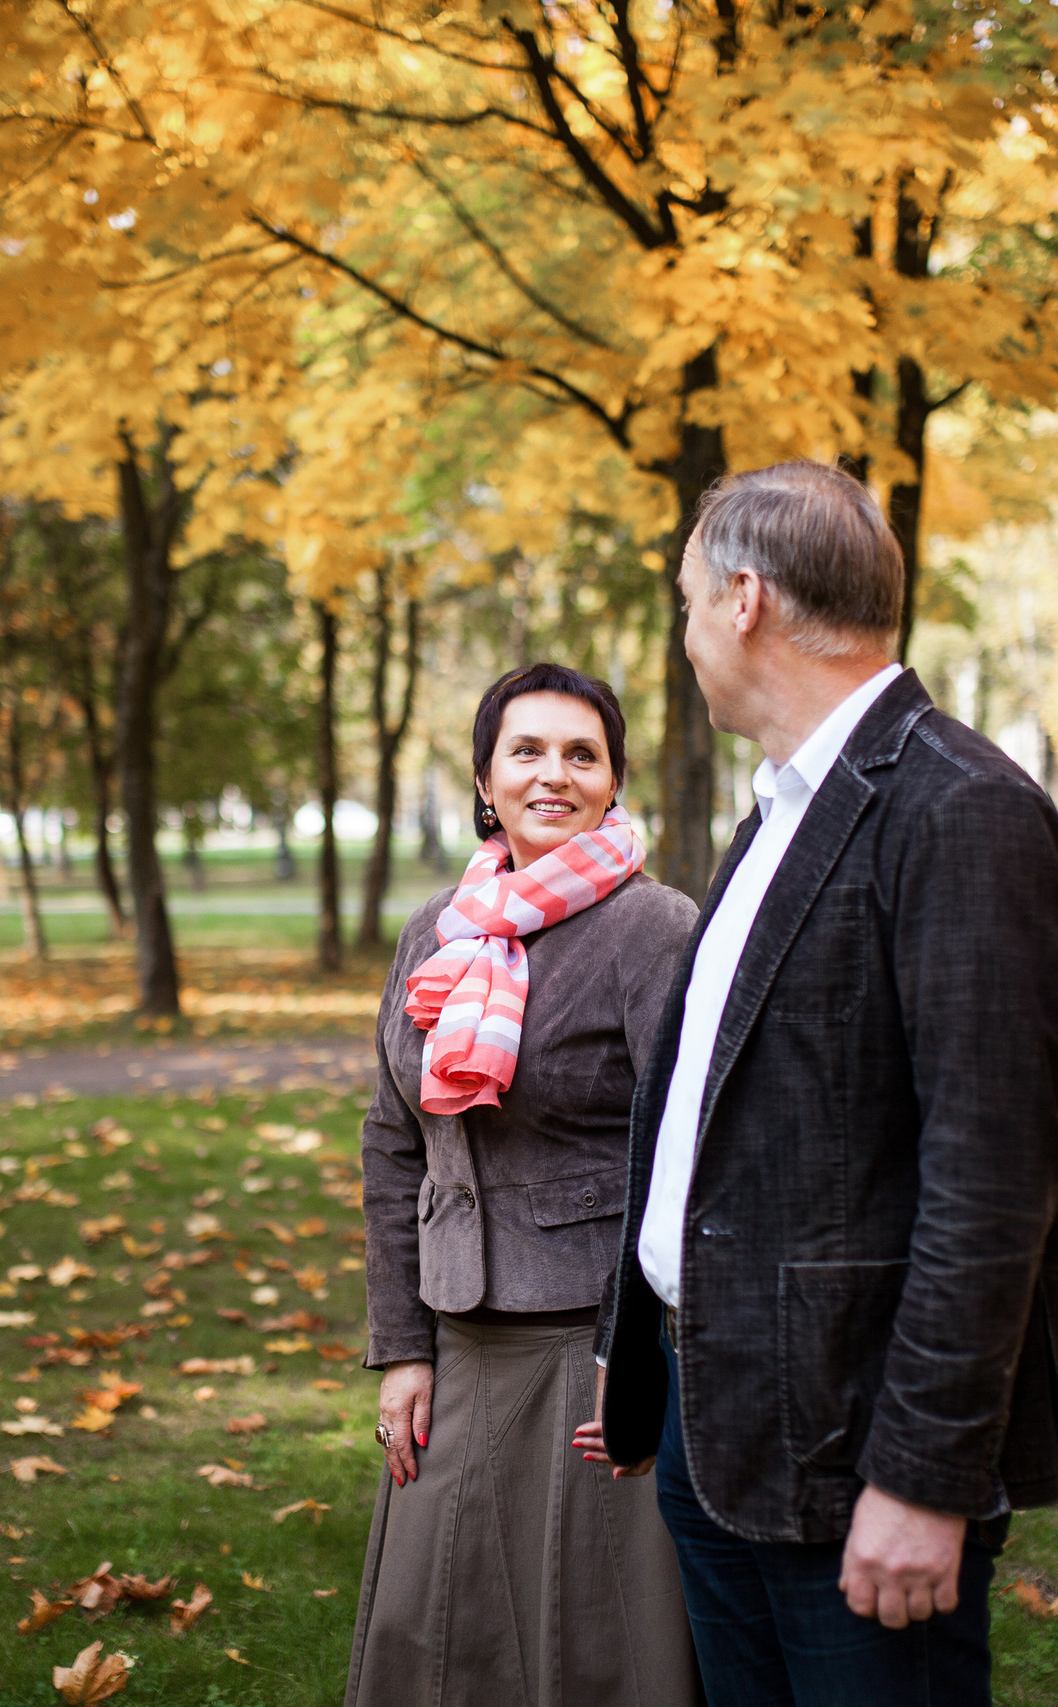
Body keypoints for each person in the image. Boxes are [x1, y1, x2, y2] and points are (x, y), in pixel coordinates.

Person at [583, 462, 1058, 1707]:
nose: (686, 631)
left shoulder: (960, 812)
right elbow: (718, 1103)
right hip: (718, 1416)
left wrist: (923, 1479)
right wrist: (636, 1345)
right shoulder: (779, 814)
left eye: (689, 601)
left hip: (856, 1447)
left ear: (744, 599)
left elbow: (990, 1184)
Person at [347, 662, 703, 1707]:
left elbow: (681, 1156)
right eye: (529, 751)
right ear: (486, 776)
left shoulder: (654, 930)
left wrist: (631, 1351)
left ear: (613, 780)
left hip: (592, 1352)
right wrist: (401, 1348)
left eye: (580, 754)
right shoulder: (437, 934)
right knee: (436, 1633)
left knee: (602, 1644)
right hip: (455, 1342)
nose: (554, 774)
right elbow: (390, 1143)